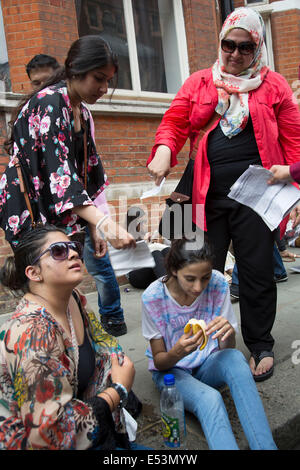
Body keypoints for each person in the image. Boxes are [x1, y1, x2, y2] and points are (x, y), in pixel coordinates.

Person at [146, 8, 300, 381]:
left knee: (257, 272)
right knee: (202, 271)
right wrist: (165, 150)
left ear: (257, 47)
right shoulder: (200, 82)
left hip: (256, 197)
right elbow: (175, 121)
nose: (234, 54)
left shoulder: (274, 85)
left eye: (244, 48)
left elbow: (295, 141)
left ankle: (260, 343)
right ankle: (200, 342)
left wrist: (296, 192)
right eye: (228, 44)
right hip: (205, 196)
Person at [1, 36, 136, 336]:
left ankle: (80, 357)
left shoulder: (81, 111)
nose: (103, 88)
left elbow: (85, 176)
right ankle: (47, 357)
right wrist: (104, 223)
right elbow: (60, 177)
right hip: (30, 212)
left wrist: (94, 228)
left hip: (58, 214)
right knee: (48, 292)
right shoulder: (50, 101)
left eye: (108, 81)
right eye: (98, 79)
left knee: (65, 287)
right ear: (75, 69)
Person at [0, 224, 143, 450]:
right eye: (59, 251)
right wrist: (118, 390)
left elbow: (105, 343)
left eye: (73, 246)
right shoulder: (31, 333)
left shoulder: (73, 298)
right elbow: (47, 435)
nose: (75, 253)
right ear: (33, 272)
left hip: (90, 430)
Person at [141, 238, 277, 450]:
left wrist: (228, 333)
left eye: (204, 278)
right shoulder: (153, 298)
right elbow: (160, 362)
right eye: (190, 278)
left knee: (236, 359)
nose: (198, 287)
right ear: (175, 270)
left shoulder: (217, 283)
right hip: (172, 372)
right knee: (210, 399)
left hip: (207, 363)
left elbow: (228, 349)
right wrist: (176, 352)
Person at [126, 206, 170, 289]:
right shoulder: (125, 237)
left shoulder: (142, 234)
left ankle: (178, 281)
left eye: (145, 222)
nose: (145, 225)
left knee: (166, 250)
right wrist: (145, 243)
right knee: (155, 254)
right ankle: (168, 288)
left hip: (150, 275)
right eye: (142, 222)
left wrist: (152, 242)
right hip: (136, 276)